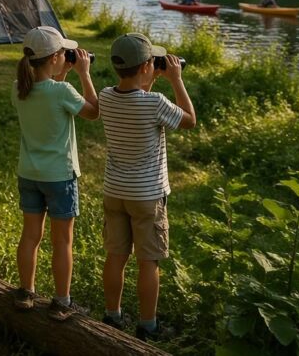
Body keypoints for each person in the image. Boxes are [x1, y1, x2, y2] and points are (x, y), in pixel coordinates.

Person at [98, 33, 196, 340]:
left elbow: (135, 97)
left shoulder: (105, 96)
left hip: (115, 192)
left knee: (116, 256)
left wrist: (149, 78)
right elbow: (189, 120)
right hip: (147, 196)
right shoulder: (155, 103)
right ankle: (148, 325)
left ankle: (112, 316)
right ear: (144, 67)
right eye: (151, 63)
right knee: (148, 261)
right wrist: (176, 79)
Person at [11, 26, 99, 321]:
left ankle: (26, 292)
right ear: (55, 58)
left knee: (30, 236)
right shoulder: (62, 91)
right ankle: (62, 302)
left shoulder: (19, 88)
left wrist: (63, 73)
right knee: (62, 241)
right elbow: (93, 111)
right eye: (64, 54)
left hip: (29, 174)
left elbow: (49, 96)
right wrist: (84, 73)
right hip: (59, 177)